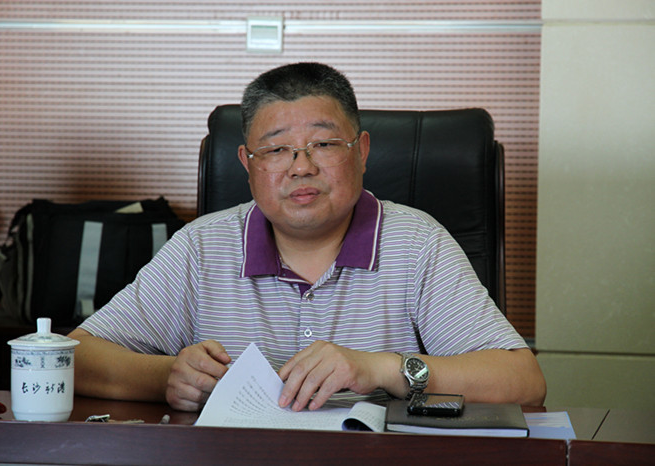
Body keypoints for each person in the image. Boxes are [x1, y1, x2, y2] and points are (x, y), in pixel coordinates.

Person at [68, 62, 546, 412]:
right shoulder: (202, 247)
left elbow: (523, 380)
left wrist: (379, 369)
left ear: (361, 151)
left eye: (323, 143)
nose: (301, 167)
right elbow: (75, 356)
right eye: (276, 149)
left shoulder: (417, 244)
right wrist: (167, 378)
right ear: (247, 164)